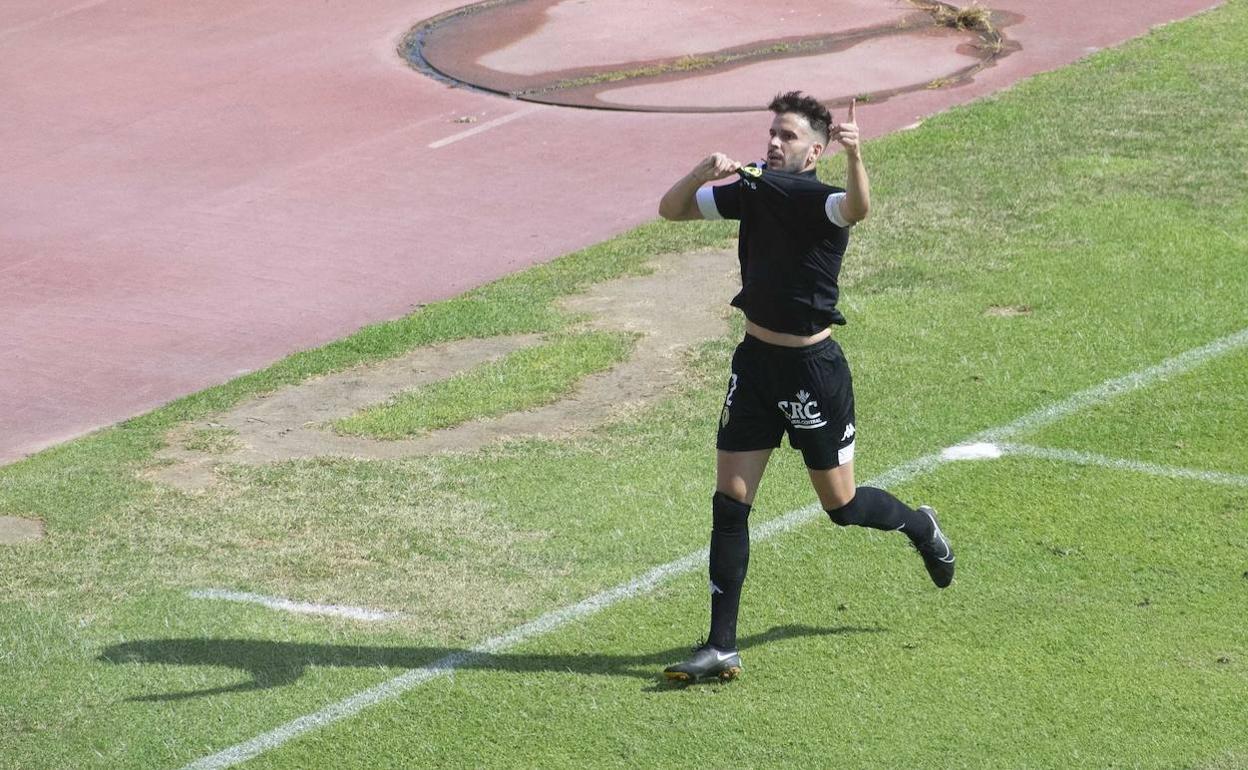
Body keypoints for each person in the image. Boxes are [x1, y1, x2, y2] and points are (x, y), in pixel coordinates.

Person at [657, 91, 955, 682]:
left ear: (815, 151)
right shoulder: (752, 189)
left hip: (812, 372)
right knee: (730, 503)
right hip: (755, 365)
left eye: (787, 136)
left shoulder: (818, 202)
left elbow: (859, 208)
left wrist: (858, 157)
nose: (773, 141)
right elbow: (672, 211)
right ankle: (721, 646)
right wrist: (700, 170)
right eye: (771, 132)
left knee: (840, 507)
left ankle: (919, 525)